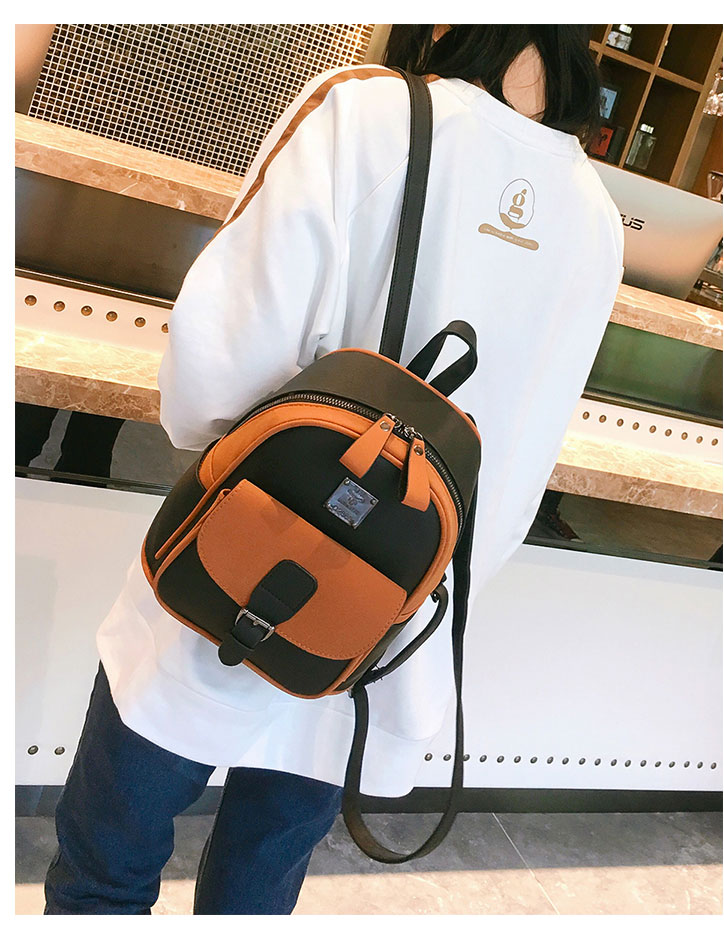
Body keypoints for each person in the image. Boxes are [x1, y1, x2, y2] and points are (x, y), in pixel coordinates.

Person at [44, 25, 624, 914]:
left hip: (236, 572)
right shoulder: (595, 216)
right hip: (386, 621)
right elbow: (521, 459)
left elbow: (217, 366)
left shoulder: (365, 111)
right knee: (254, 898)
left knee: (107, 875)